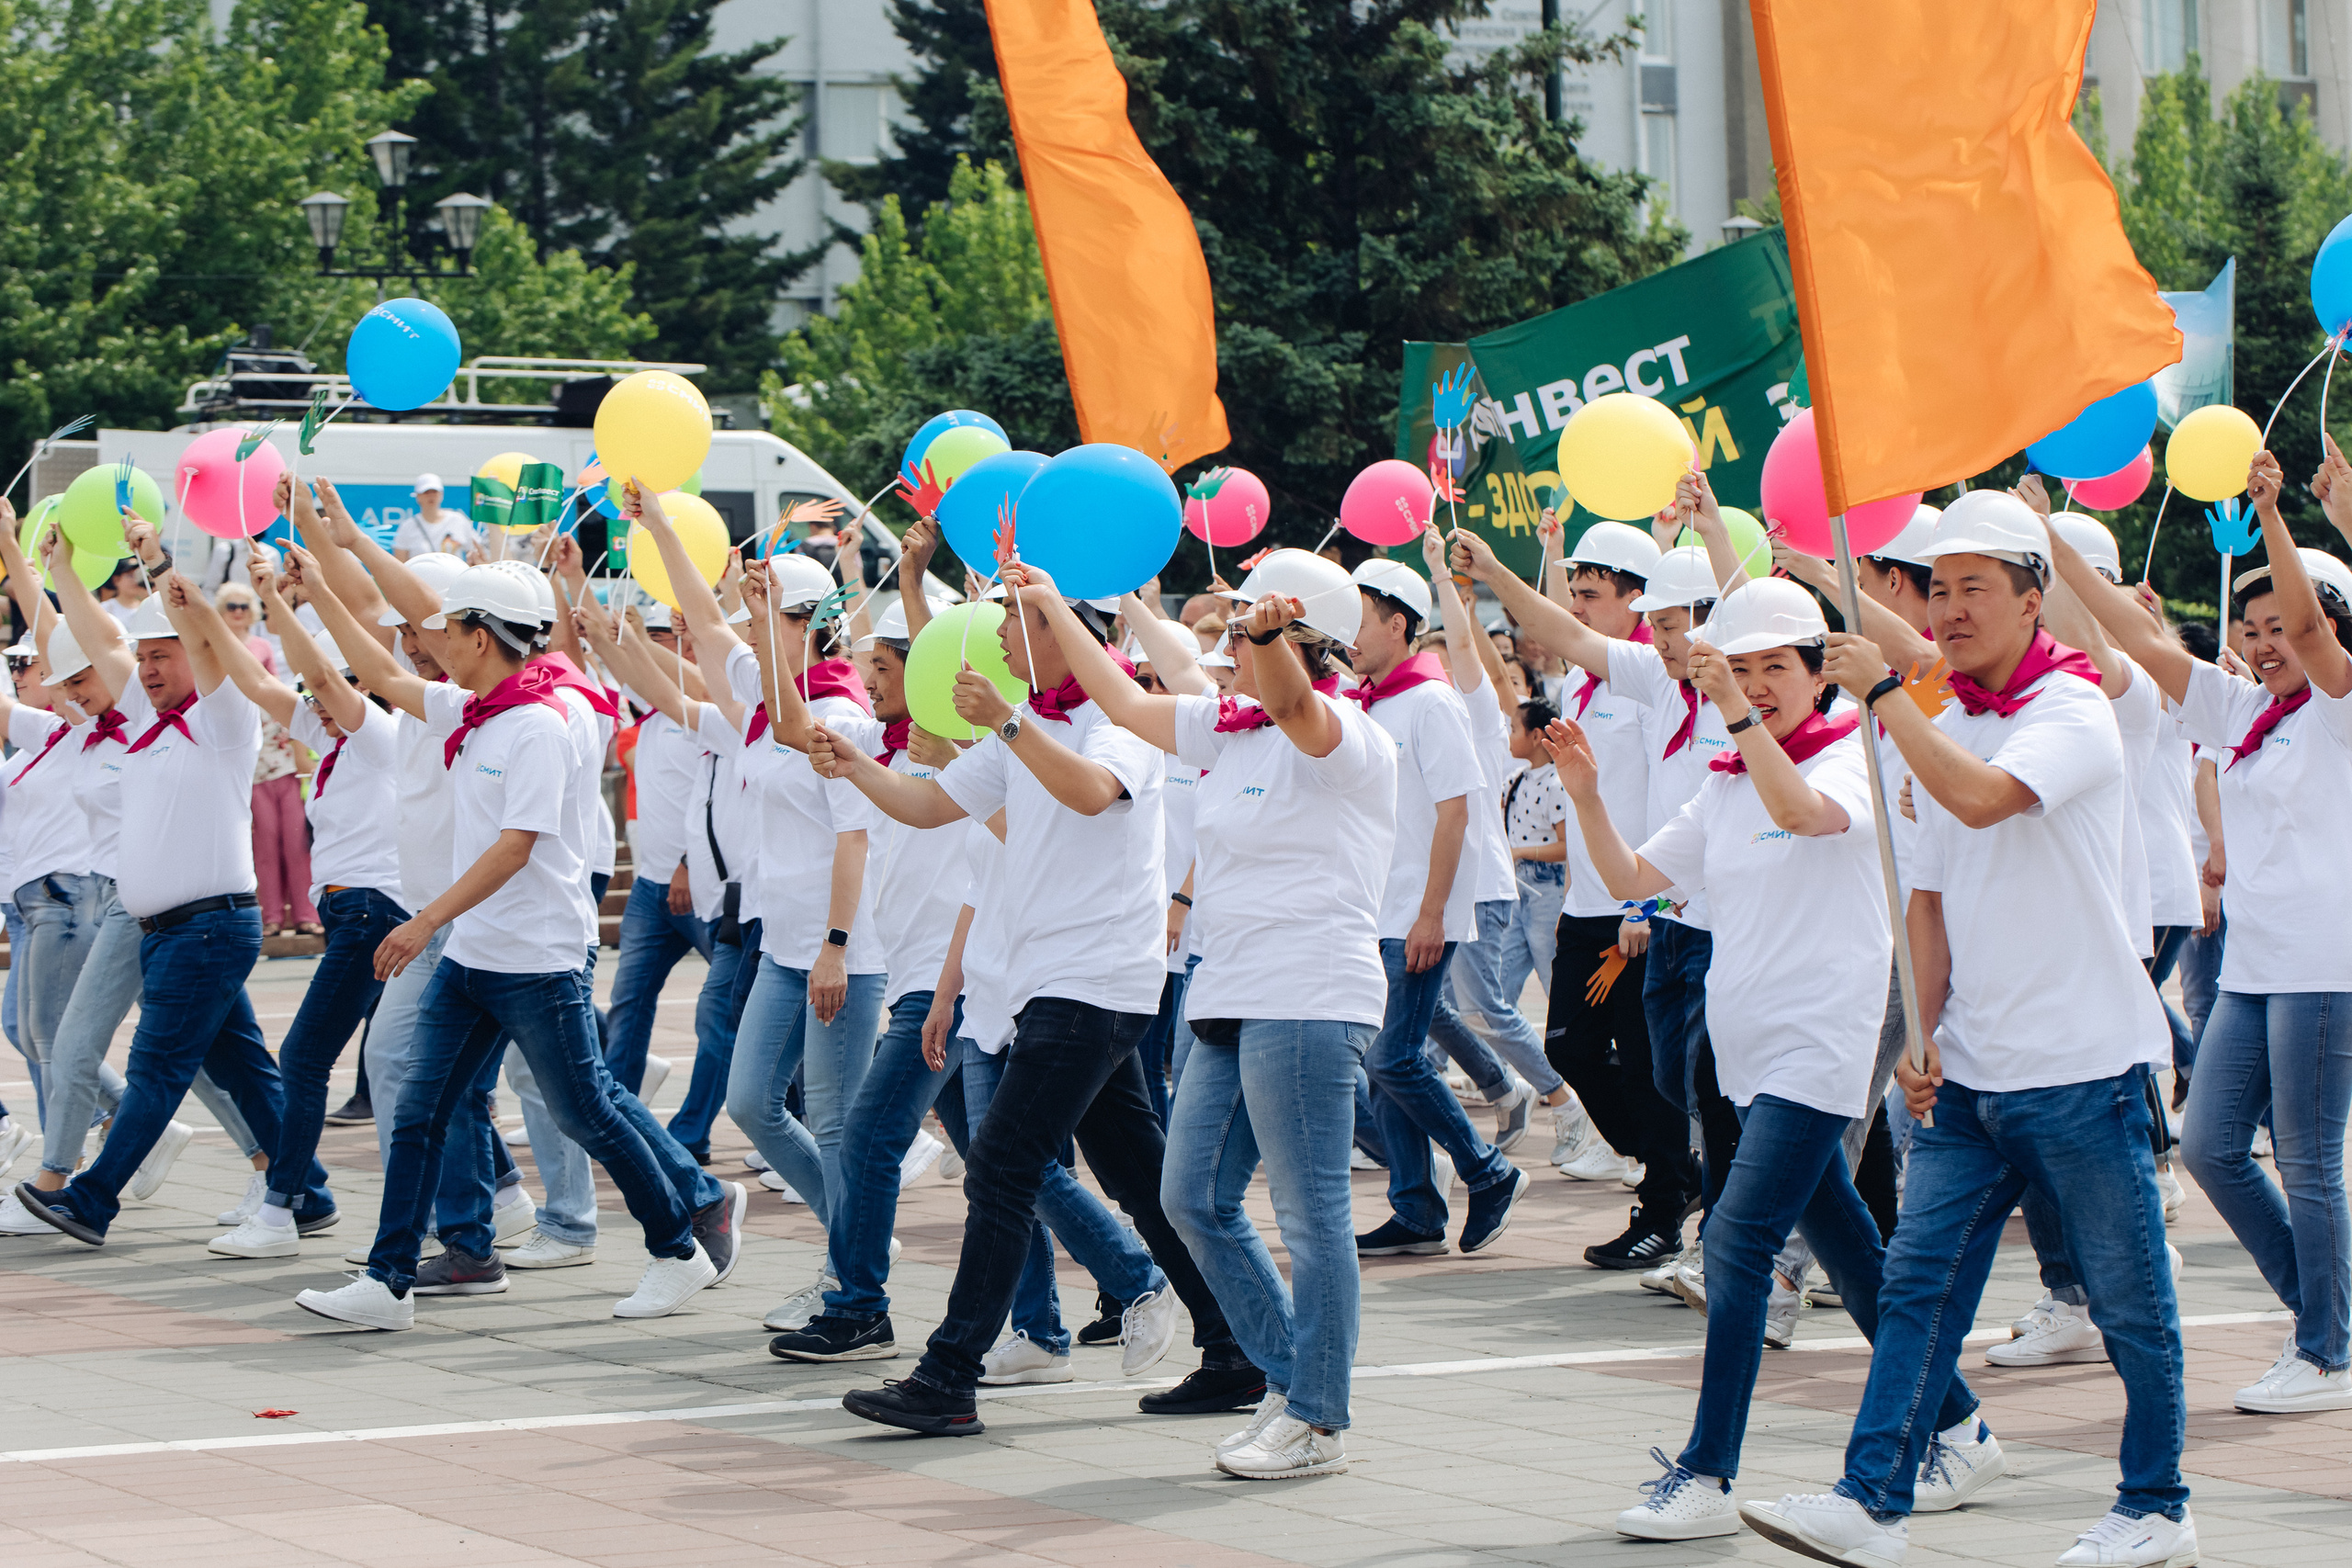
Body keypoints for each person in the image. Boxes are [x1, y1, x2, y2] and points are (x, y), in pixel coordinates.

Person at [1745, 490, 2189, 1568]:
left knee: (2129, 1302)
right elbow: (1928, 897)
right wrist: (1920, 1032)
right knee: (1915, 1284)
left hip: (2083, 1065)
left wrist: (1891, 697)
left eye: (1972, 588)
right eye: (1935, 588)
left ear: (2033, 599)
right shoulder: (1934, 721)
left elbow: (1987, 799)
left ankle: (2156, 1509)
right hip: (1974, 1077)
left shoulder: (2073, 711)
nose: (1946, 608)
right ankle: (1871, 1498)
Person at [1555, 581, 1974, 1540]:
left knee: (1736, 1241)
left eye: (1774, 668)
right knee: (1852, 1250)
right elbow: (1633, 881)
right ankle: (1958, 1419)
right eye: (1737, 670)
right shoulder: (1724, 780)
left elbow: (1802, 816)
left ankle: (1707, 1472)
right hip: (1745, 1049)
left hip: (1820, 1045)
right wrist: (1584, 792)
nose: (1755, 686)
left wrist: (1736, 715)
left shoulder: (1855, 757)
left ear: (1817, 671)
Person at [806, 558, 1254, 1436]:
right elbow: (929, 806)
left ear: (1059, 630)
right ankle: (1233, 1346)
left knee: (1004, 1167)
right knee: (1142, 1180)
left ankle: (948, 1374)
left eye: (1014, 622)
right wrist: (857, 764)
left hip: (1096, 983)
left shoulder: (1117, 720)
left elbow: (1091, 795)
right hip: (1054, 984)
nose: (1003, 639)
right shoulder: (1035, 723)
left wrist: (1007, 722)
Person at [1016, 549, 1397, 1477]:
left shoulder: (1347, 732)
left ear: (1303, 641)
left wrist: (1269, 640)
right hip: (1227, 990)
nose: (1225, 640)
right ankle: (1288, 1384)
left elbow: (1300, 711)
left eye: (1249, 629)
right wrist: (1050, 601)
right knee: (1190, 1197)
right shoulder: (1227, 731)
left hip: (1308, 996)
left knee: (1313, 1220)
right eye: (1233, 628)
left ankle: (1316, 1418)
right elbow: (1122, 702)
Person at [285, 563, 729, 1328]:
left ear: (481, 635)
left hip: (539, 959)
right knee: (419, 1110)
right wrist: (309, 589)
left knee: (586, 1111)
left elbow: (515, 846)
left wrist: (425, 920)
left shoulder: (539, 725)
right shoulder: (476, 708)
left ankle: (679, 1249)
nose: (435, 638)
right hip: (473, 959)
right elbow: (387, 674)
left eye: (449, 627)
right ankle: (389, 1281)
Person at [2056, 442, 2352, 1416]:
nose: (2265, 643)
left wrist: (2272, 513)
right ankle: (2323, 1317)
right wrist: (2054, 561)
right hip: (2259, 968)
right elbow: (2144, 650)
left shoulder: (2337, 711)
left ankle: (2325, 1349)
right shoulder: (2246, 715)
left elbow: (2314, 635)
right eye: (2249, 628)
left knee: (2307, 1162)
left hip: (2325, 967)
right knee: (2213, 1147)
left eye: (2278, 628)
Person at [12, 539, 336, 1248]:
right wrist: (65, 567)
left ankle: (91, 1199)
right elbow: (98, 639)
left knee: (156, 1069)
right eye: (144, 657)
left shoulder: (222, 721)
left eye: (164, 655)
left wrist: (163, 574)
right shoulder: (144, 724)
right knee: (247, 1074)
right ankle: (306, 1190)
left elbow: (209, 646)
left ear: (198, 657)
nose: (148, 668)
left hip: (207, 928)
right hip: (170, 930)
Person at [628, 484, 885, 1323]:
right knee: (750, 1103)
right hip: (783, 943)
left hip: (841, 951)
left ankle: (856, 1286)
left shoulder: (841, 712)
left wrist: (838, 945)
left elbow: (856, 837)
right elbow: (702, 624)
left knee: (843, 1129)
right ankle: (848, 1251)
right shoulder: (770, 696)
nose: (741, 621)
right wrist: (662, 526)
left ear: (804, 620)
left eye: (765, 610)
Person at [205, 551, 409, 1259]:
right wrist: (203, 614)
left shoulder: (379, 732)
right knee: (422, 1068)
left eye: (332, 691)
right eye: (317, 696)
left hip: (371, 912)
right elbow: (262, 682)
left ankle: (282, 1208)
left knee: (303, 1057)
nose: (316, 701)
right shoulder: (334, 738)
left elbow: (319, 675)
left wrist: (277, 598)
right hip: (357, 914)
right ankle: (500, 1197)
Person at [1343, 555, 1528, 1258]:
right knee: (1391, 1061)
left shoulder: (1432, 699)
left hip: (1419, 913)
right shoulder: (1371, 701)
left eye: (1360, 619)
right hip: (1376, 910)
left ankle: (1487, 1169)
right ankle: (1417, 1206)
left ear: (1398, 623)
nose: (1350, 636)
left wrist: (1431, 913)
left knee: (1393, 1058)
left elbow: (1457, 813)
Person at [392, 473, 480, 560]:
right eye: (426, 492)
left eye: (435, 492)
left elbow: (477, 550)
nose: (431, 496)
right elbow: (400, 562)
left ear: (441, 494)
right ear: (418, 496)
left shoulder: (458, 520)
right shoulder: (407, 526)